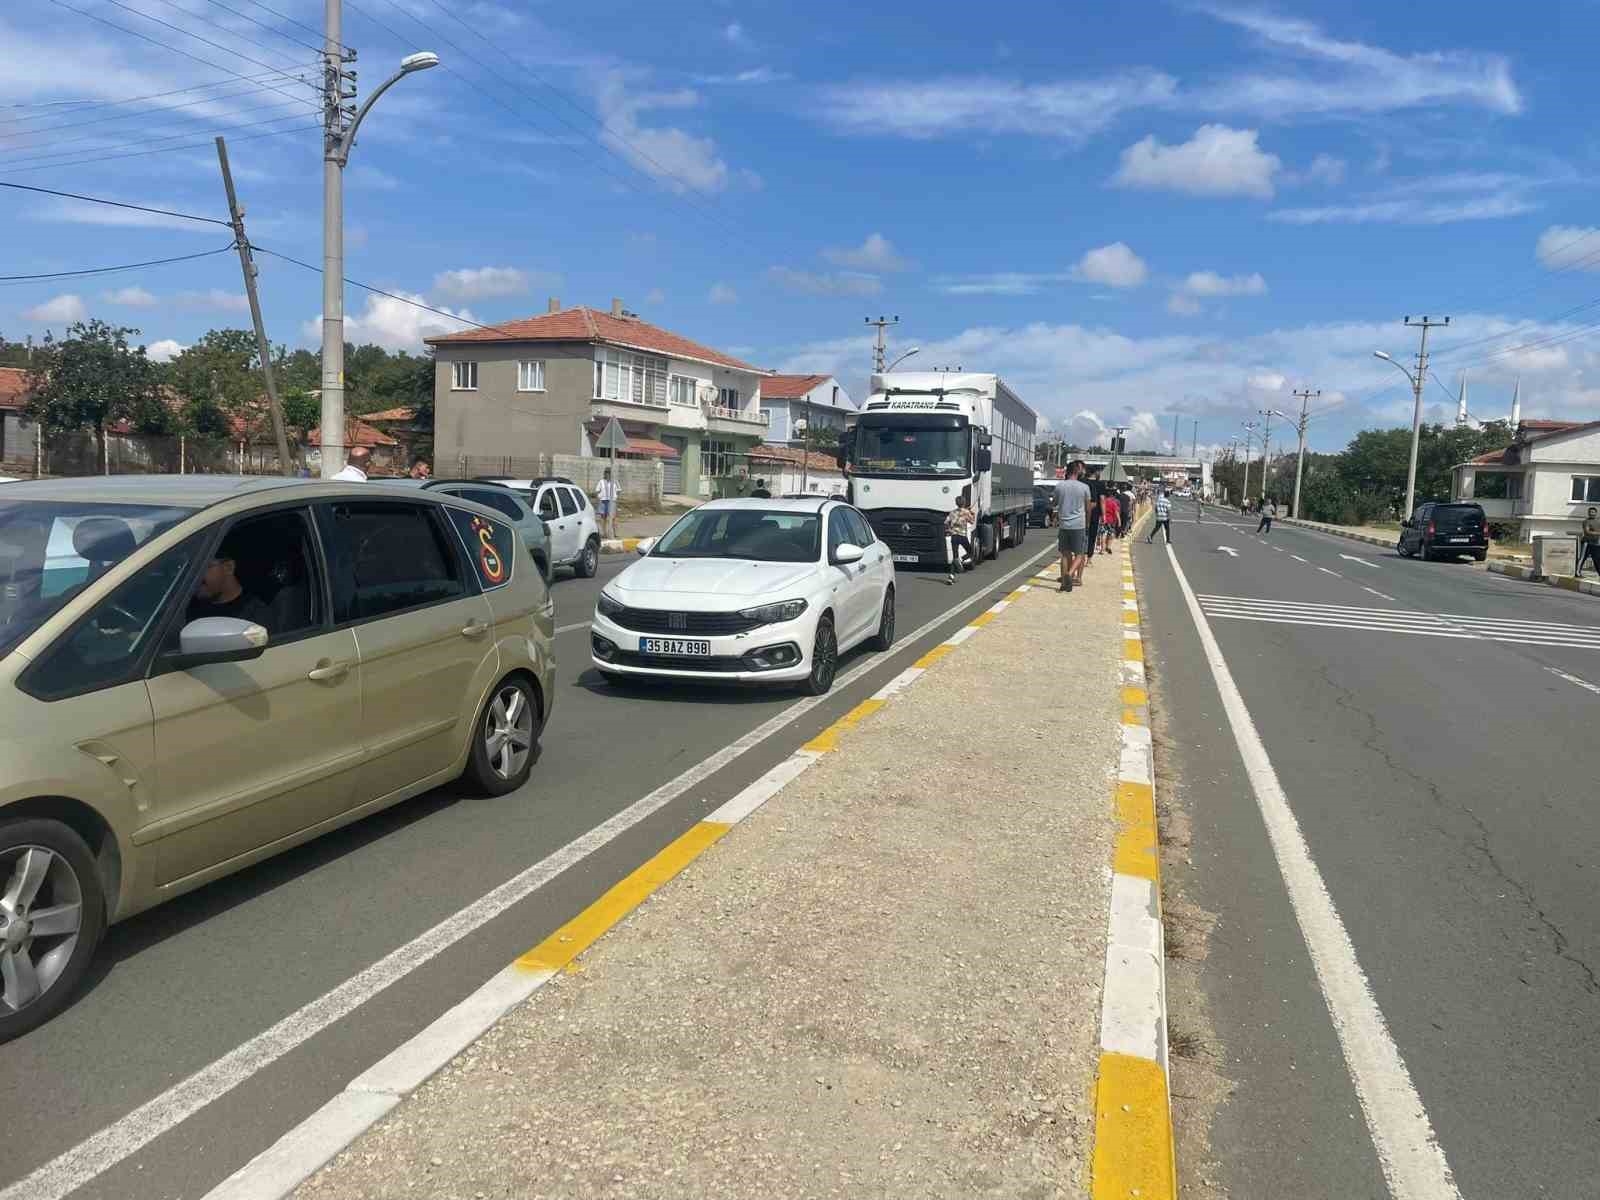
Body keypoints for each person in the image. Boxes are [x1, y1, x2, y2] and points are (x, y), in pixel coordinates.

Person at [188, 536, 273, 629]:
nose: (196, 576)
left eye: (204, 567)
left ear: (229, 567)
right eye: (193, 570)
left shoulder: (254, 614)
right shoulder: (185, 609)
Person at [1054, 461, 1093, 592]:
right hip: (1078, 525)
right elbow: (1088, 509)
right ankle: (1070, 575)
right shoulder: (1084, 487)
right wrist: (1087, 524)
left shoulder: (1059, 486)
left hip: (1064, 524)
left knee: (1065, 554)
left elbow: (1055, 503)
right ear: (1077, 471)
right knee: (1080, 554)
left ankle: (1064, 583)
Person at [945, 490, 977, 584]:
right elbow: (971, 522)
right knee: (971, 552)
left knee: (954, 557)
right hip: (962, 536)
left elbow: (946, 523)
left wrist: (950, 529)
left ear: (956, 503)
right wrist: (972, 513)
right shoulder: (966, 512)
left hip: (953, 537)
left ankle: (950, 577)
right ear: (964, 503)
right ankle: (960, 560)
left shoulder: (952, 513)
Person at [596, 468, 620, 538]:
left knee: (613, 517)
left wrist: (615, 497)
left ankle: (615, 533)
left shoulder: (615, 481)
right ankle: (604, 533)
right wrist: (599, 497)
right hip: (603, 501)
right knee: (603, 518)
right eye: (606, 473)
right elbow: (597, 490)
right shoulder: (601, 481)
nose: (607, 474)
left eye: (609, 473)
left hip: (612, 502)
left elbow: (619, 490)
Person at [1580, 507, 1600, 578]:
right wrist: (1598, 533)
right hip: (1586, 543)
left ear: (1596, 513)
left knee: (1597, 559)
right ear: (1588, 513)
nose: (1591, 513)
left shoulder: (1598, 521)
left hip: (1596, 543)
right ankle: (1577, 573)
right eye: (1590, 512)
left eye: (1593, 512)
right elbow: (1587, 531)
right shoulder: (1586, 521)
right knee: (1582, 558)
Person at [1099, 489, 1120, 554]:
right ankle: (1108, 547)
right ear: (1112, 496)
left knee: (1103, 534)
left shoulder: (1103, 501)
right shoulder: (1113, 503)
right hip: (1111, 521)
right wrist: (1119, 521)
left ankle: (1102, 549)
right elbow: (1116, 512)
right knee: (1111, 534)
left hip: (1104, 520)